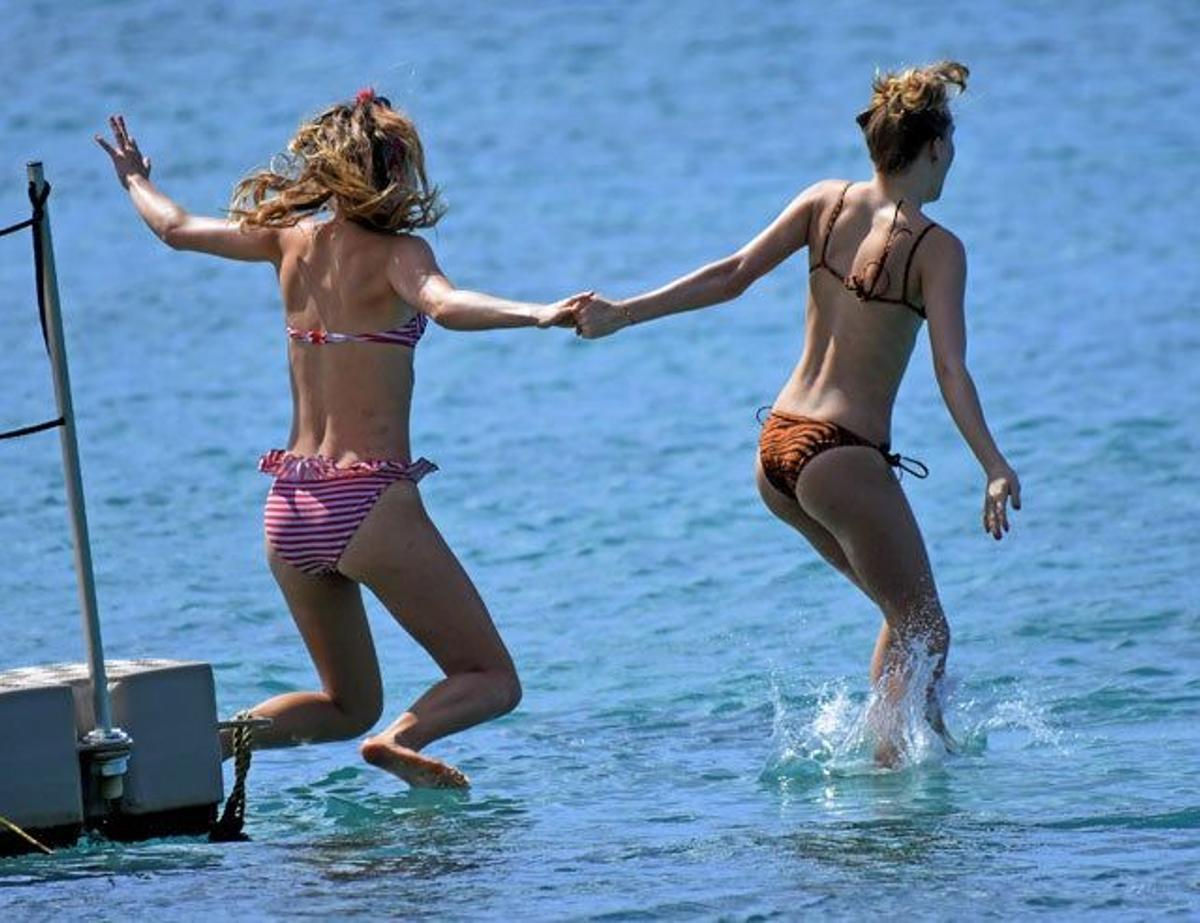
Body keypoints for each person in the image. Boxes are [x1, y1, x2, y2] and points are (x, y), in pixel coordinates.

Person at [97, 90, 587, 787]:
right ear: (392, 170)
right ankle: (399, 741)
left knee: (345, 703)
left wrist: (136, 178)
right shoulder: (400, 254)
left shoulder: (288, 239)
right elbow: (446, 306)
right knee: (491, 677)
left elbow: (173, 228)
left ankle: (197, 745)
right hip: (368, 504)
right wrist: (538, 312)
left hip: (289, 508)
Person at [571, 62, 1021, 765]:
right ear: (935, 147)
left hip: (777, 448)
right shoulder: (939, 249)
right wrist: (993, 465)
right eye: (951, 147)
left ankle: (917, 743)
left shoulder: (824, 202)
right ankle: (893, 779)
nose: (952, 162)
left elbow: (732, 273)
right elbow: (948, 369)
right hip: (841, 455)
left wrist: (624, 313)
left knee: (905, 617)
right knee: (925, 624)